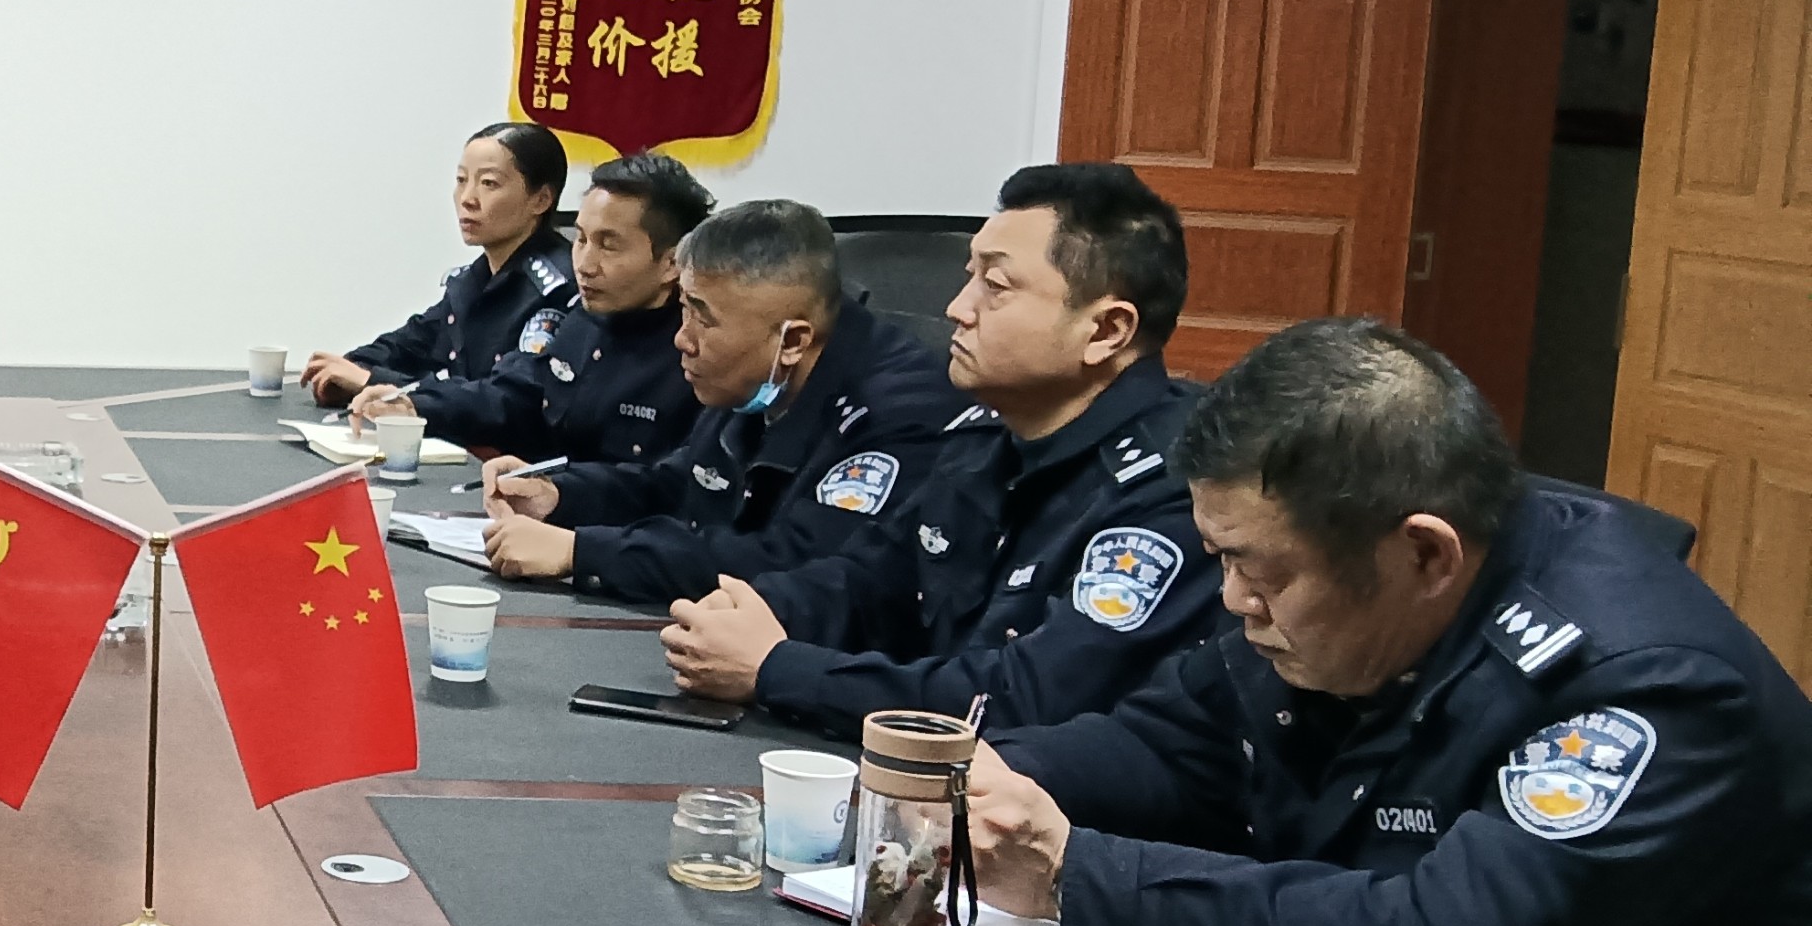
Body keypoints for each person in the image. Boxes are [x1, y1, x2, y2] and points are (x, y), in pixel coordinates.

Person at [969, 319, 1812, 926]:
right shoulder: (1346, 606)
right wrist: (981, 777)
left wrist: (1072, 875)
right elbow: (1168, 746)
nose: (1235, 599)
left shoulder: (1648, 688)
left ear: (1425, 555)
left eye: (1258, 567)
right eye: (1221, 557)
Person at [662, 163, 1212, 736]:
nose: (957, 308)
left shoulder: (1173, 491)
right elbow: (869, 579)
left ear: (1106, 331)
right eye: (969, 277)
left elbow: (1018, 701)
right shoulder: (985, 438)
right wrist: (750, 609)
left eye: (995, 287)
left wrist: (775, 669)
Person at [481, 198, 966, 604]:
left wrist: (583, 552)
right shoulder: (756, 374)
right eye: (684, 309)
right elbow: (681, 482)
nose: (682, 339)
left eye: (703, 320)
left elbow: (788, 563)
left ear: (793, 340)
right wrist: (560, 494)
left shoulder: (896, 413)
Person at [359, 150, 708, 473]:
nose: (585, 265)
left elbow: (662, 486)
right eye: (582, 239)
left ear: (671, 264)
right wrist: (415, 403)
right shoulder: (586, 319)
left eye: (609, 246)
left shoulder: (695, 355)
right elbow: (514, 392)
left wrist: (557, 493)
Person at [300, 125, 573, 409]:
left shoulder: (558, 290)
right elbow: (407, 345)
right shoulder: (474, 280)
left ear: (541, 200)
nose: (467, 198)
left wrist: (373, 382)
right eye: (461, 180)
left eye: (489, 183)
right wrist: (347, 371)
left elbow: (505, 400)